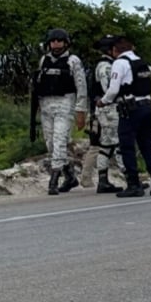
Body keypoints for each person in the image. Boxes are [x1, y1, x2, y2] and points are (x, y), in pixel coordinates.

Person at [98, 36, 151, 197]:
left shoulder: (119, 63)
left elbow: (113, 89)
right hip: (146, 107)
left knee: (127, 146)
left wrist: (103, 101)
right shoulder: (141, 62)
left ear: (115, 50)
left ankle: (134, 184)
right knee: (146, 145)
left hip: (130, 109)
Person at [33, 28, 89, 195]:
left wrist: (81, 111)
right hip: (46, 105)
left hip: (65, 103)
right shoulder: (44, 60)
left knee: (59, 140)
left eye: (59, 41)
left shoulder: (73, 61)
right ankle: (70, 175)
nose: (56, 44)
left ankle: (54, 179)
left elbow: (81, 86)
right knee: (50, 143)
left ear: (66, 43)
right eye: (53, 41)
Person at [84, 34, 123, 194]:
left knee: (105, 146)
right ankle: (131, 177)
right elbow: (109, 90)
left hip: (104, 110)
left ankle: (103, 180)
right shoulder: (106, 66)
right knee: (119, 144)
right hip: (109, 110)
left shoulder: (104, 64)